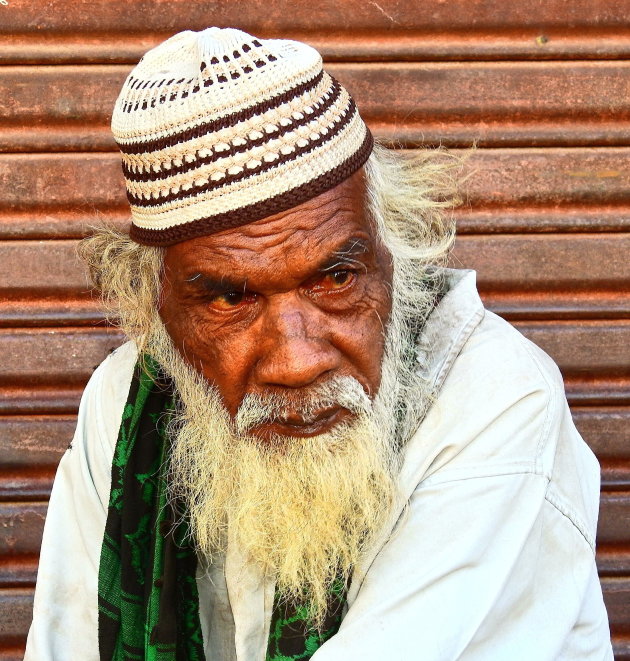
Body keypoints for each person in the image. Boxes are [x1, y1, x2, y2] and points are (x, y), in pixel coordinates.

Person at [25, 27, 613, 661]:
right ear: (158, 309)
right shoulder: (122, 405)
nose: (297, 361)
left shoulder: (495, 397)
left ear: (396, 258)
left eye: (336, 278)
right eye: (230, 298)